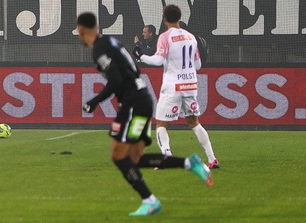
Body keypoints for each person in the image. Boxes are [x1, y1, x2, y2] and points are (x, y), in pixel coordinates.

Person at [77, 11, 211, 217]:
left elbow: (115, 81)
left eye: (79, 33)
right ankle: (189, 163)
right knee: (135, 159)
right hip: (141, 100)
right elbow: (130, 69)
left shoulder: (99, 49)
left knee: (119, 156)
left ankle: (150, 200)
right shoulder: (112, 42)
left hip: (132, 105)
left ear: (82, 31)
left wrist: (93, 102)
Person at [137, 5, 219, 169]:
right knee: (194, 123)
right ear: (179, 17)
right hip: (190, 85)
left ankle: (166, 157)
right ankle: (212, 159)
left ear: (164, 19)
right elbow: (197, 65)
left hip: (172, 86)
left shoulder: (165, 37)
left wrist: (142, 56)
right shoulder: (191, 37)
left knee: (161, 124)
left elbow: (159, 61)